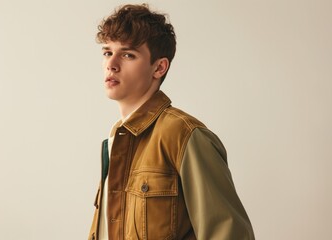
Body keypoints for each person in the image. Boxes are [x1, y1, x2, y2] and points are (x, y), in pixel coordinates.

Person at [88, 4, 254, 240]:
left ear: (159, 67)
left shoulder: (184, 135)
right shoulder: (116, 138)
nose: (111, 64)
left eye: (128, 55)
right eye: (107, 52)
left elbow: (228, 234)